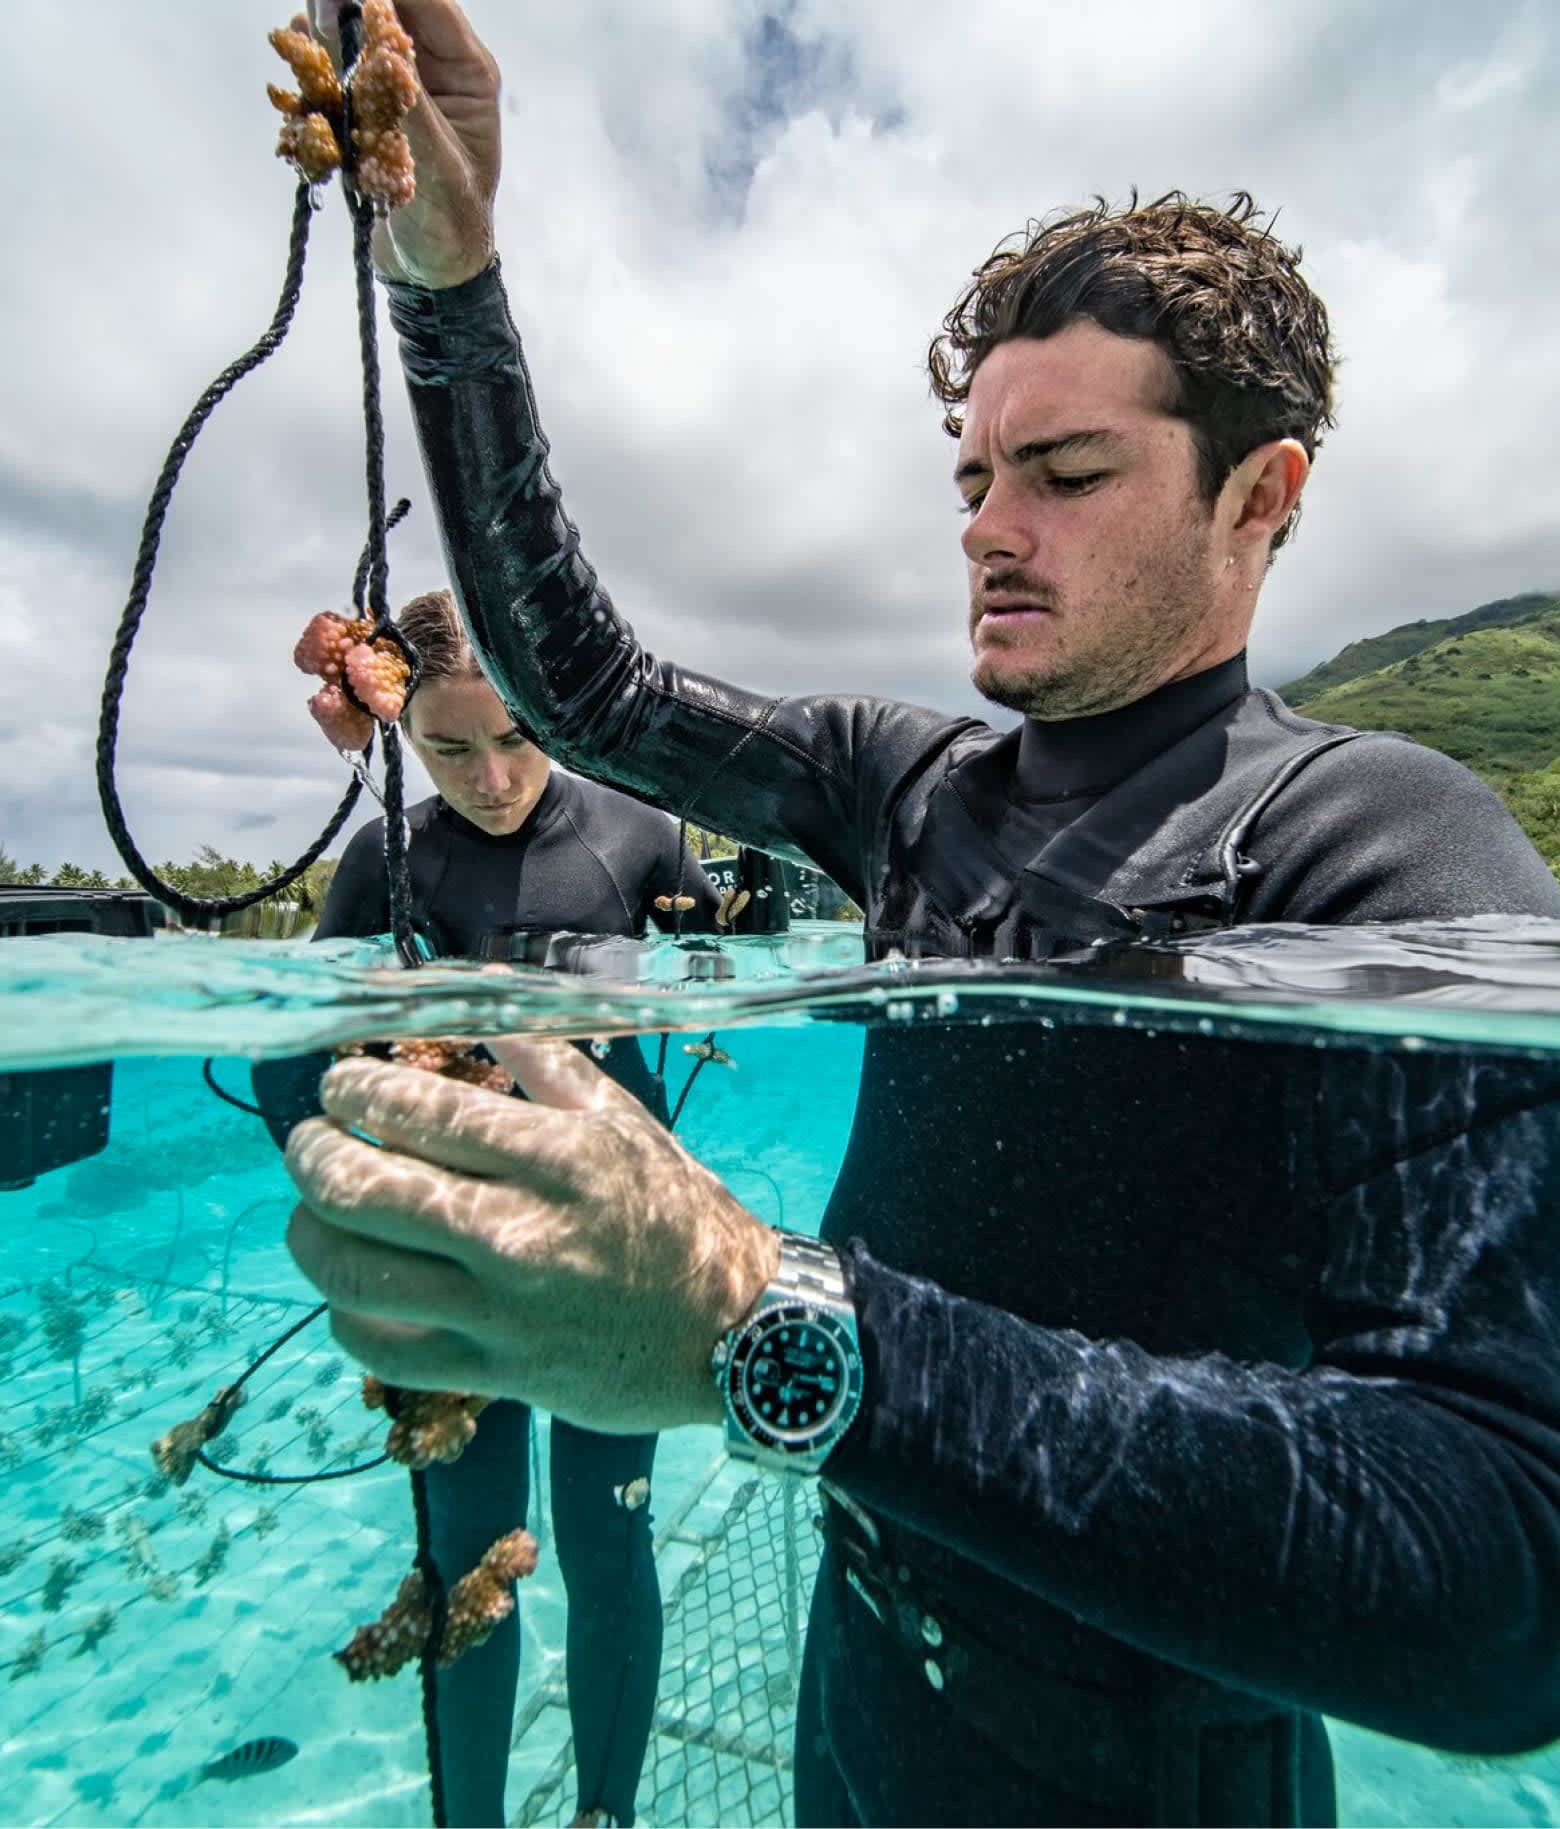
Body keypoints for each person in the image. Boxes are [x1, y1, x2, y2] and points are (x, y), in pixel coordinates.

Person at [285, 6, 1560, 1824]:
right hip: (861, 1677)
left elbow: (1499, 1567)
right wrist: (454, 276)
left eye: (1068, 472)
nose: (987, 523)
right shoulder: (912, 782)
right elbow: (579, 674)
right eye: (974, 475)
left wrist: (765, 1311)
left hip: (1147, 1774)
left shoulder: (1382, 842)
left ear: (1261, 500)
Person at [258, 586, 720, 1829]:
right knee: (467, 1565)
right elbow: (285, 1063)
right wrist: (346, 1167)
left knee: (607, 1545)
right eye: (448, 748)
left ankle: (605, 1816)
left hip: (620, 1247)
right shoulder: (382, 861)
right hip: (456, 1256)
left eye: (518, 738)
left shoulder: (644, 839)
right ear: (403, 732)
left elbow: (732, 974)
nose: (492, 776)